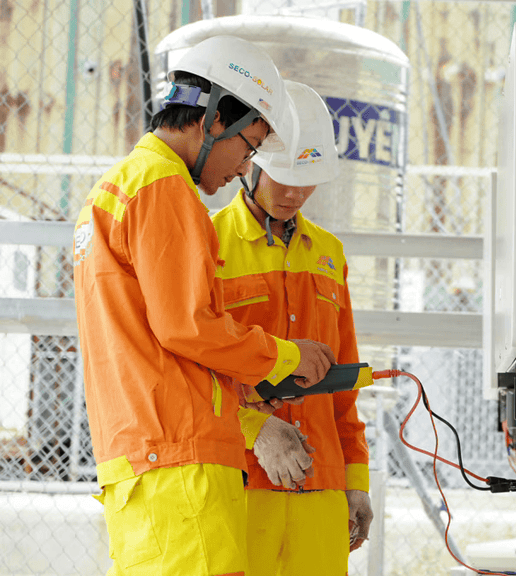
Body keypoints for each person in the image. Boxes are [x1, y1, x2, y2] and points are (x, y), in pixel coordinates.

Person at [72, 36, 335, 575]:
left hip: (143, 461)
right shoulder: (165, 187)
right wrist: (287, 357)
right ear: (214, 121)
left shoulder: (116, 190)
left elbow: (157, 332)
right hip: (179, 463)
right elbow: (188, 326)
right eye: (250, 145)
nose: (244, 168)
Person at [212, 80, 373, 576]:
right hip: (242, 481)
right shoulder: (208, 243)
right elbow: (194, 371)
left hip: (321, 487)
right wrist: (253, 431)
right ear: (251, 162)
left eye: (307, 180)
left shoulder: (329, 255)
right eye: (282, 177)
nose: (294, 193)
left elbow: (343, 384)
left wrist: (356, 478)